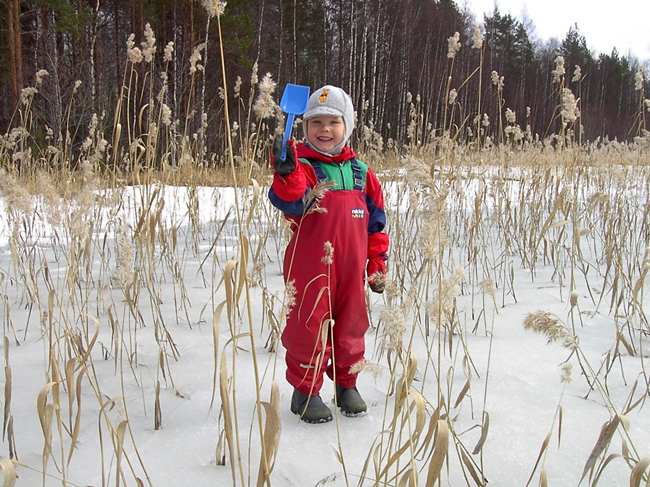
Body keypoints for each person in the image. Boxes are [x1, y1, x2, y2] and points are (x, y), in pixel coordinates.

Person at [268, 85, 389, 423]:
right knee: (309, 324)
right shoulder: (303, 167)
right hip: (310, 268)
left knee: (352, 323)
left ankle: (347, 384)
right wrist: (286, 171)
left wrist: (376, 264)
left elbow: (376, 225)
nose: (323, 129)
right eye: (314, 121)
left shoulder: (362, 174)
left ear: (346, 126)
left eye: (332, 121)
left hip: (351, 269)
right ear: (304, 127)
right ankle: (305, 390)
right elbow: (290, 201)